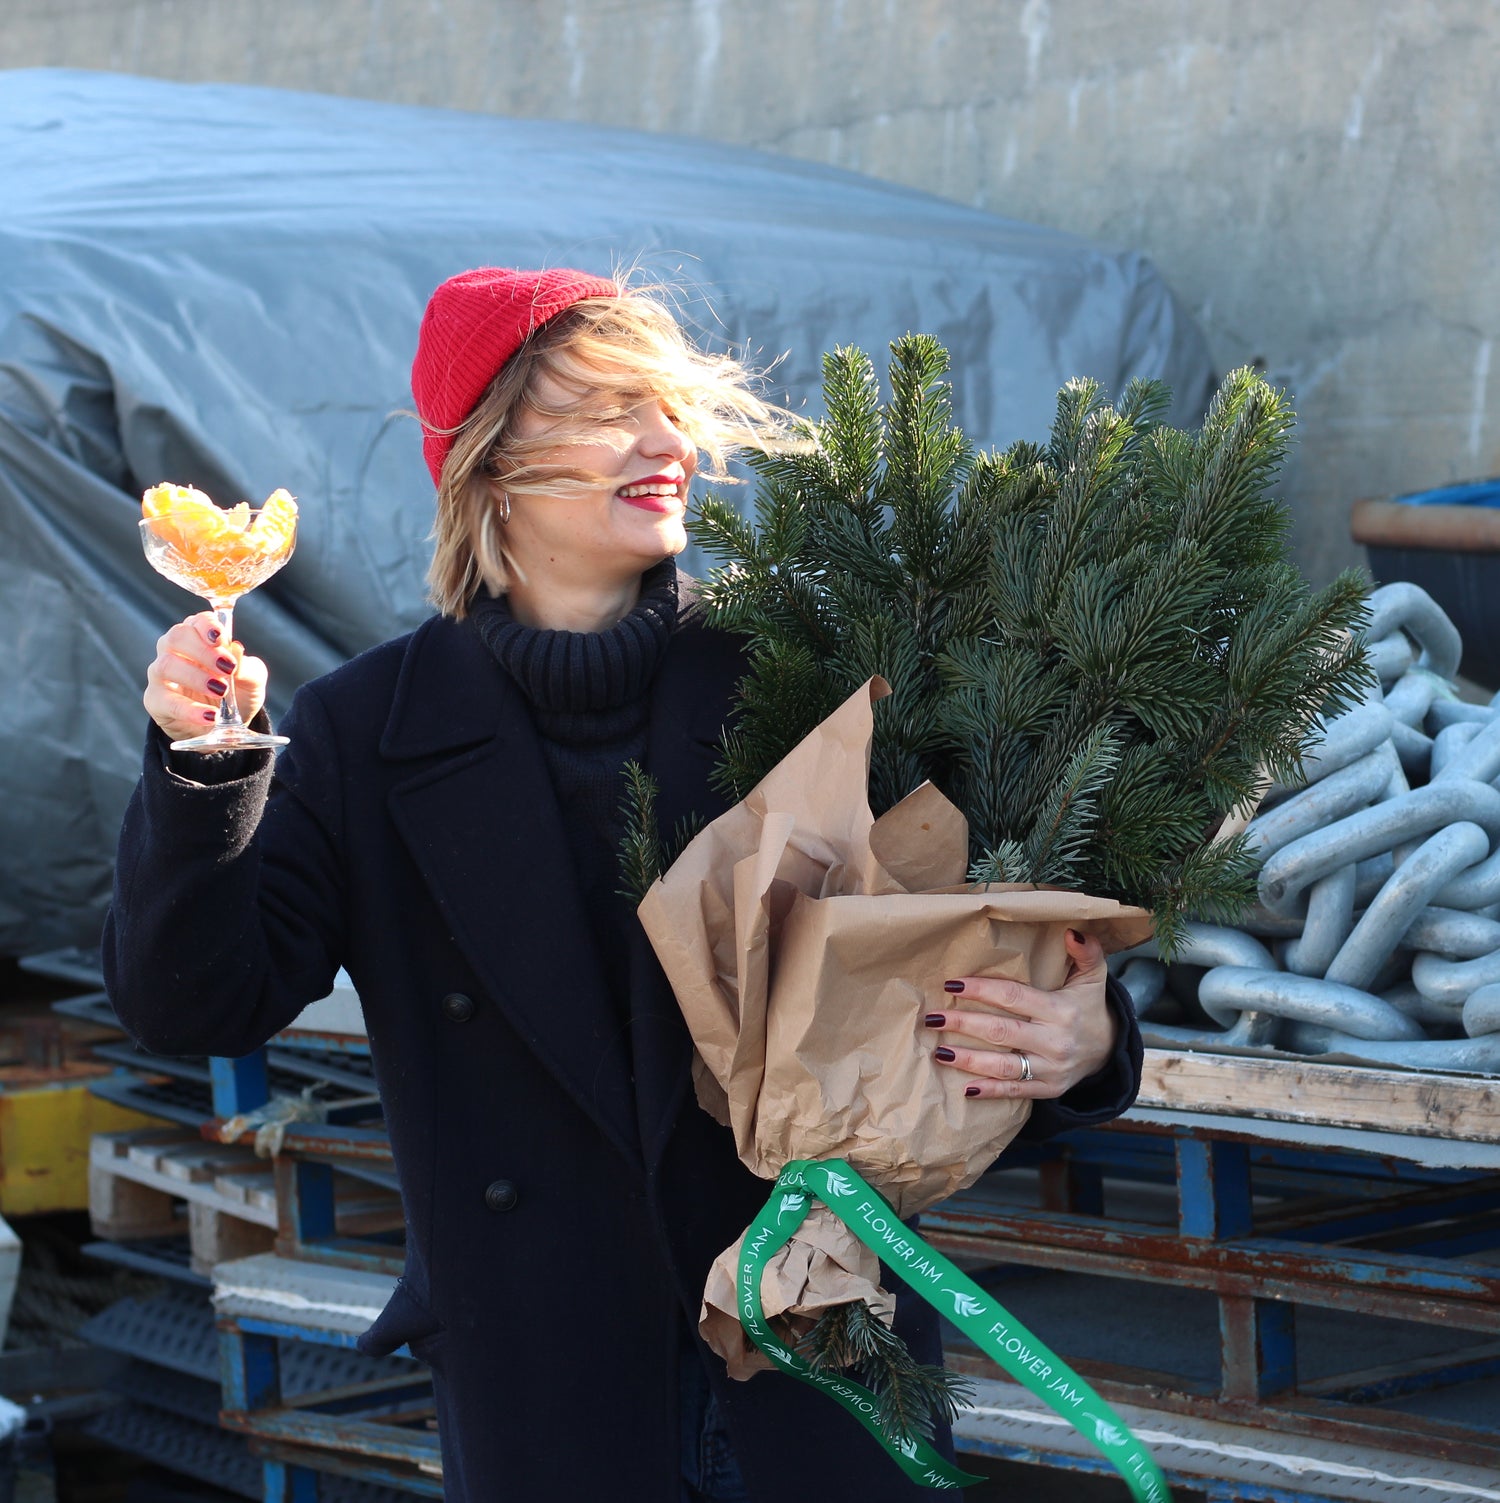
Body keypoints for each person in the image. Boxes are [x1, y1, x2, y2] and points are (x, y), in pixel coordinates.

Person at [104, 266, 1145, 1502]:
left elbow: (992, 929)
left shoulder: (811, 682)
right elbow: (194, 1002)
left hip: (812, 1335)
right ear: (489, 462)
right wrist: (205, 766)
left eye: (669, 408)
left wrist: (1085, 1033)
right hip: (547, 1375)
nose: (666, 443)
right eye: (607, 410)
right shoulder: (365, 732)